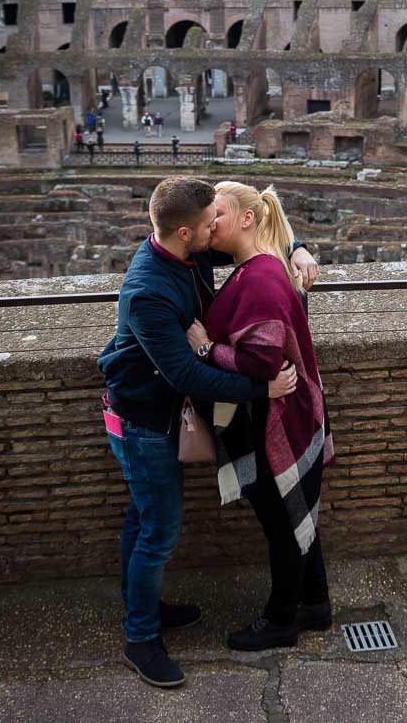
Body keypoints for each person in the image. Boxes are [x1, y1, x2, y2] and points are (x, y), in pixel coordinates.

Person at [98, 177, 318, 687]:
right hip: (143, 420)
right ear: (183, 231)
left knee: (143, 518)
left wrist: (297, 245)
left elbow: (249, 227)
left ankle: (145, 606)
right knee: (158, 531)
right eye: (206, 225)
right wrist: (264, 391)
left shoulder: (186, 251)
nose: (213, 230)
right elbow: (186, 374)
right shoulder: (147, 291)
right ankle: (141, 639)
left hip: (158, 412)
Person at [185, 181, 334, 652]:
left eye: (218, 216)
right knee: (295, 513)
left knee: (281, 523)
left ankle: (281, 621)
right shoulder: (254, 266)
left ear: (247, 219)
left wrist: (206, 348)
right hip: (283, 417)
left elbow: (260, 363)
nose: (211, 225)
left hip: (278, 423)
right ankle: (316, 603)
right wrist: (298, 245)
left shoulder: (263, 278)